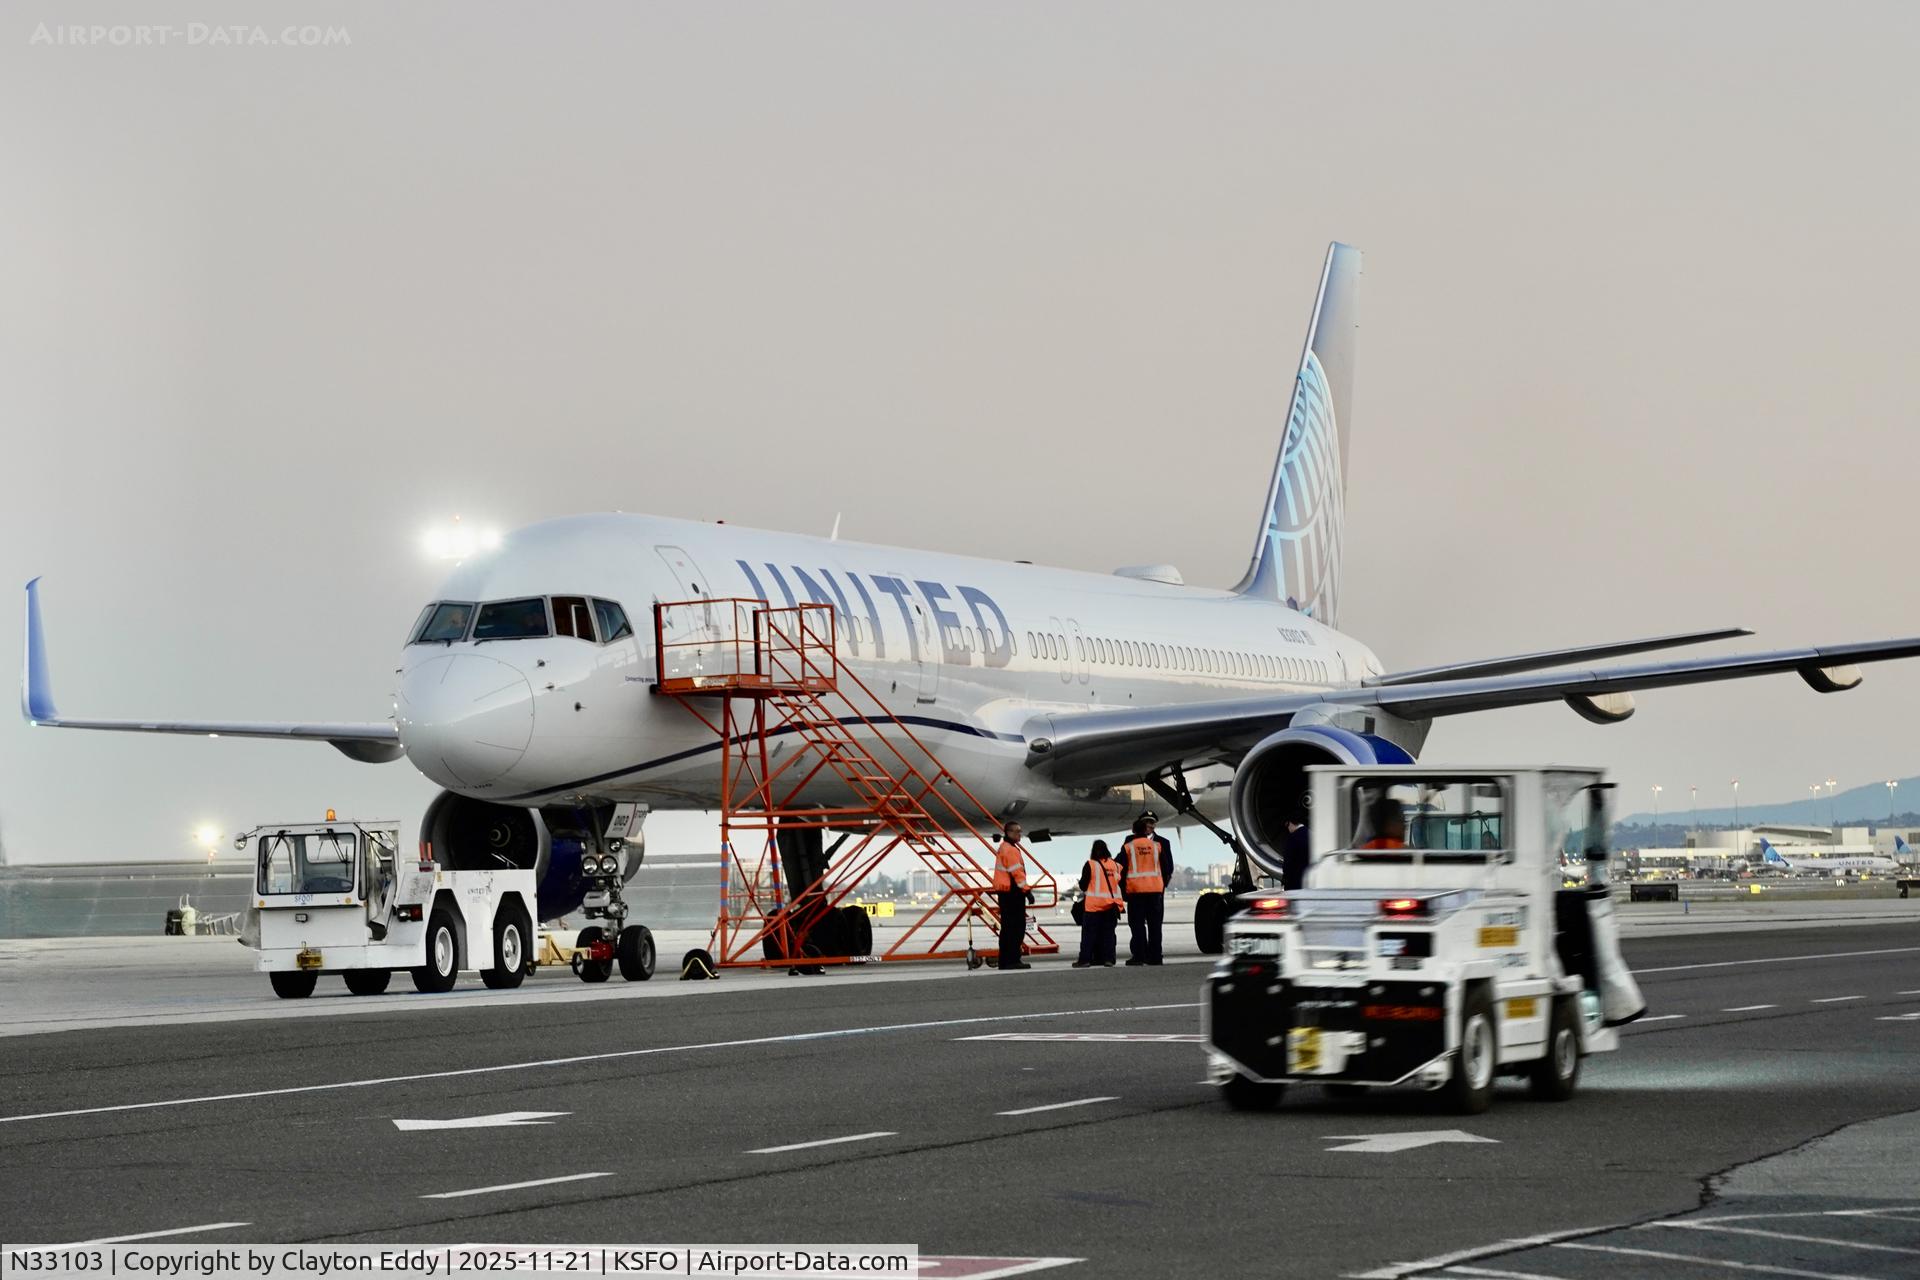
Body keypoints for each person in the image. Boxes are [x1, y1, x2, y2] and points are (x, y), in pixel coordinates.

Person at [1122, 812, 1171, 965]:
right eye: (1147, 822)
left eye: (1152, 822)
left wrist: (1162, 887)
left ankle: (1148, 956)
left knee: (1144, 925)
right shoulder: (1156, 845)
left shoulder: (1132, 844)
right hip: (1150, 891)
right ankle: (1148, 955)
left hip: (1142, 891)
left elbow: (1168, 868)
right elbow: (1165, 867)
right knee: (1150, 924)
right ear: (1143, 825)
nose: (1150, 825)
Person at [991, 820, 1033, 970]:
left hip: (1005, 893)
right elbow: (1017, 873)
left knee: (1007, 928)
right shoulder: (1011, 850)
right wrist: (1027, 891)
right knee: (1016, 928)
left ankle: (1005, 960)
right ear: (1008, 832)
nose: (1019, 834)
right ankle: (1013, 960)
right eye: (1017, 831)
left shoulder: (1004, 847)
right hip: (1012, 893)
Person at [1074, 840, 1124, 967]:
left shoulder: (1090, 864)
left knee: (1088, 935)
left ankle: (1085, 960)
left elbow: (1083, 885)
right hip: (1111, 905)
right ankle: (1109, 959)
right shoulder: (1115, 865)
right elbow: (1119, 882)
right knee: (1109, 935)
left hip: (1093, 907)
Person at [1281, 806, 1311, 890]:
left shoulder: (1293, 838)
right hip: (1311, 882)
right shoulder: (1312, 834)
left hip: (1295, 883)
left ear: (1290, 823)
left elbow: (1288, 863)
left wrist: (1285, 878)